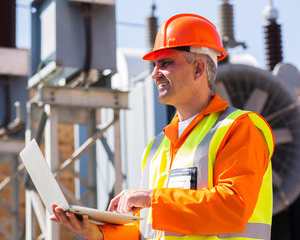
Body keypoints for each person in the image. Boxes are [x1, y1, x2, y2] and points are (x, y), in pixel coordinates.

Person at [50, 13, 274, 240]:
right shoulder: (156, 147)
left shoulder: (239, 127)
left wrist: (151, 198)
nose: (155, 74)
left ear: (198, 69)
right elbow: (147, 231)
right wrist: (98, 233)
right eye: (154, 65)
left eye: (165, 63)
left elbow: (233, 207)